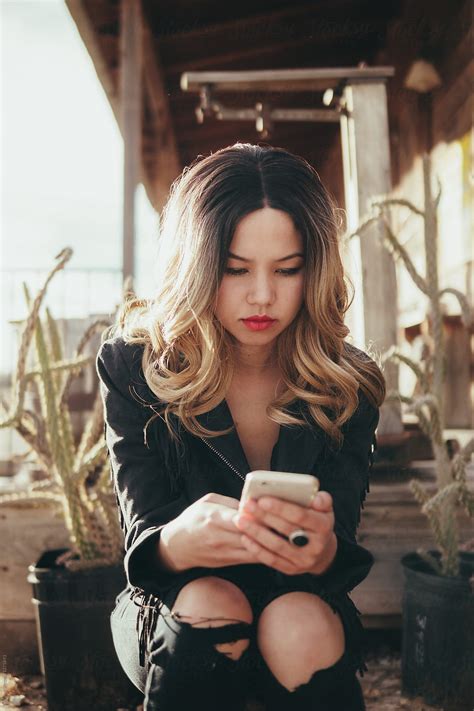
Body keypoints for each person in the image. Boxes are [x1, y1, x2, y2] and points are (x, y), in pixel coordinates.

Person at [96, 142, 386, 711]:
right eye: (234, 270)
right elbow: (144, 537)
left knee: (296, 620)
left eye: (287, 269)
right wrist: (181, 541)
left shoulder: (348, 381)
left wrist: (321, 551)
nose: (262, 295)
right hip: (174, 600)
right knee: (212, 602)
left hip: (300, 601)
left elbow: (339, 549)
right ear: (198, 265)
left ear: (315, 268)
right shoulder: (134, 366)